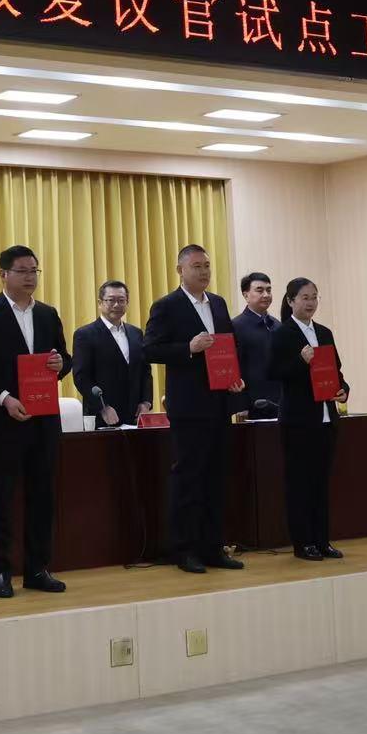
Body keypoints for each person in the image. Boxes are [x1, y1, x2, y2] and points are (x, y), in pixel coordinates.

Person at [0, 245, 70, 599]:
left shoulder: (48, 314)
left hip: (43, 420)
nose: (30, 277)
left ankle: (37, 568)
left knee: (43, 496)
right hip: (3, 421)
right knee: (2, 498)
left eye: (34, 271)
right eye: (22, 271)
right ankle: (0, 571)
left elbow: (63, 358)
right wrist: (5, 399)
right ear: (4, 274)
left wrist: (61, 364)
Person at [147, 245, 248, 573]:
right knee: (189, 477)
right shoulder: (167, 306)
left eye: (207, 265)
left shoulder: (217, 303)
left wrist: (234, 377)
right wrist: (188, 348)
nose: (204, 271)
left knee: (216, 477)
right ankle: (184, 550)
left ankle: (213, 547)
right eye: (196, 266)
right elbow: (150, 349)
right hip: (188, 406)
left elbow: (229, 345)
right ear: (180, 270)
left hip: (219, 402)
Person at [268, 277, 351, 562]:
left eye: (314, 297)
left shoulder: (324, 332)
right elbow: (273, 372)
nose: (311, 302)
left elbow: (337, 371)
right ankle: (303, 543)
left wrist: (344, 389)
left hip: (326, 418)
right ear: (291, 301)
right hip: (298, 421)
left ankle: (322, 540)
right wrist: (300, 361)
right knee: (299, 484)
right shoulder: (282, 333)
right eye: (305, 297)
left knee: (321, 483)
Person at [71, 280, 149, 428]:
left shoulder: (136, 333)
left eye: (121, 300)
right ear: (100, 303)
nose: (116, 305)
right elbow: (81, 377)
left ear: (127, 303)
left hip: (135, 416)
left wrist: (146, 403)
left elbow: (145, 371)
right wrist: (103, 407)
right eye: (111, 300)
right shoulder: (85, 334)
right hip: (103, 416)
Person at [236, 271, 283, 419]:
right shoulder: (235, 326)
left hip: (280, 404)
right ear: (246, 295)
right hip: (253, 406)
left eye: (269, 290)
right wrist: (241, 405)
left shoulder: (278, 325)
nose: (266, 295)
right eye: (259, 290)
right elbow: (236, 368)